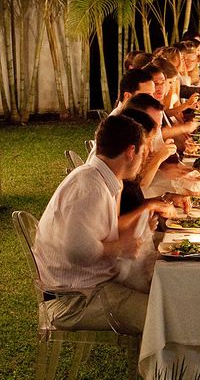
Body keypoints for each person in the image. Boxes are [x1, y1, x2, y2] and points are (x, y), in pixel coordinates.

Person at [33, 115, 156, 334]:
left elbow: (98, 234)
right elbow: (78, 251)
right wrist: (121, 247)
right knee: (163, 318)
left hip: (86, 285)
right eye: (143, 153)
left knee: (165, 290)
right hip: (74, 300)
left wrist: (137, 230)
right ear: (130, 152)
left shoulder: (102, 178)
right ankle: (183, 369)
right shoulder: (91, 187)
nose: (143, 160)